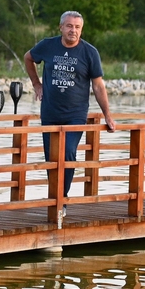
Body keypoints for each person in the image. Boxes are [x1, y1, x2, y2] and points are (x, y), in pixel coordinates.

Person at [23, 11, 115, 199]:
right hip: (50, 112)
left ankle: (61, 198)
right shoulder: (48, 45)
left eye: (77, 27)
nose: (73, 30)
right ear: (61, 27)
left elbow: (98, 86)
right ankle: (54, 197)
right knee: (51, 158)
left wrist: (107, 114)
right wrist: (36, 84)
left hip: (75, 114)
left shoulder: (90, 53)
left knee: (68, 152)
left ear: (81, 29)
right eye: (69, 26)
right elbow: (28, 58)